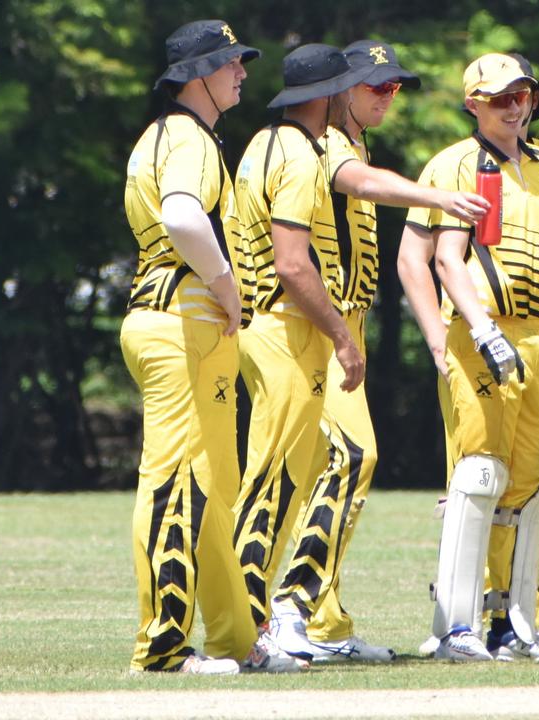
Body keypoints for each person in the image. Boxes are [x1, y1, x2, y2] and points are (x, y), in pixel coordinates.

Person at [267, 40, 489, 664]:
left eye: (395, 87)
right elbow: (355, 182)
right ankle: (287, 607)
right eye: (375, 87)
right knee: (351, 457)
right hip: (317, 326)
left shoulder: (353, 138)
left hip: (346, 324)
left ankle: (324, 623)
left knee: (334, 470)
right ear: (340, 90)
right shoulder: (331, 145)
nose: (388, 96)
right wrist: (434, 196)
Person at [120, 19, 300, 674]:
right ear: (198, 75)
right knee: (177, 486)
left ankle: (236, 641)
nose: (242, 72)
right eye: (230, 64)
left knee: (214, 492)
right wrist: (227, 287)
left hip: (175, 327)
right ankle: (163, 650)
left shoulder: (157, 137)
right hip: (183, 327)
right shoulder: (191, 138)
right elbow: (181, 216)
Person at [400, 53, 539, 661]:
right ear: (473, 102)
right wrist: (456, 335)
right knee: (478, 475)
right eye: (500, 98)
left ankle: (514, 623)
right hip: (483, 336)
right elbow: (436, 259)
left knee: (529, 481)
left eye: (522, 95)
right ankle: (455, 623)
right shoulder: (453, 164)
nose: (514, 106)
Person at [229, 43, 368, 635]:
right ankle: (248, 626)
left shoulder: (263, 142)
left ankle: (251, 623)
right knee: (271, 484)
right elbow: (293, 264)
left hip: (261, 327)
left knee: (277, 479)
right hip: (285, 330)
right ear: (331, 96)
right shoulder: (301, 156)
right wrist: (342, 335)